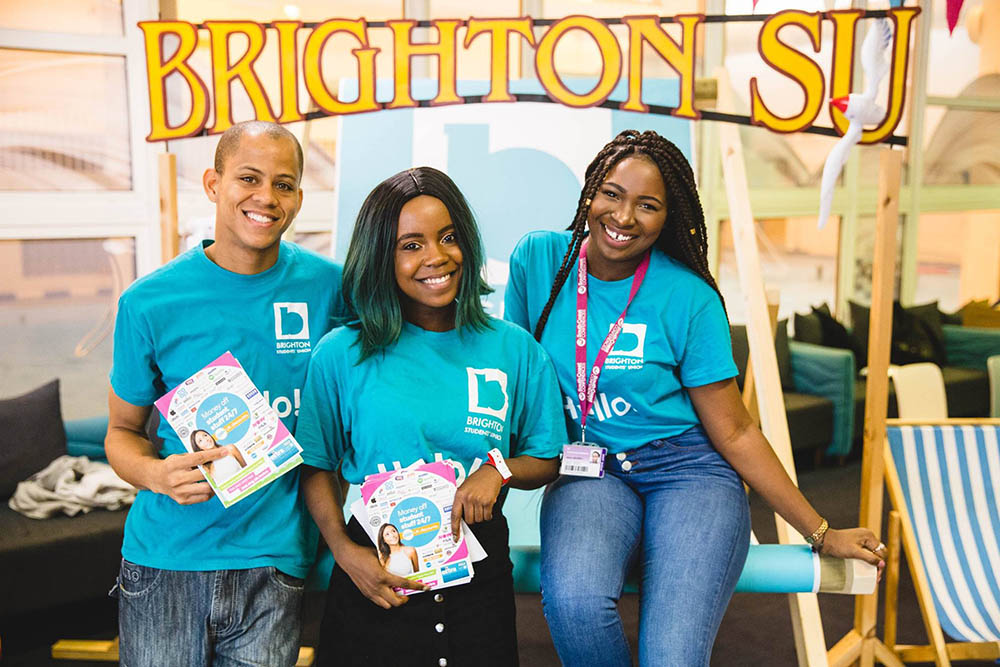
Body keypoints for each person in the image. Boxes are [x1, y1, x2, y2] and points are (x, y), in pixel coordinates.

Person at [504, 129, 887, 666]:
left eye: (648, 205)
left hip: (688, 472)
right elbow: (513, 383)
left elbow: (735, 430)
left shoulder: (688, 296)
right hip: (591, 470)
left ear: (669, 216)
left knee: (673, 656)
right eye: (611, 193)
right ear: (590, 190)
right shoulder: (541, 262)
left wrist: (820, 531)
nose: (623, 216)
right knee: (574, 604)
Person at [296, 166, 565, 666]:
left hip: (479, 579)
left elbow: (546, 456)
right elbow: (315, 465)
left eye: (448, 237)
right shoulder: (341, 353)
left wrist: (498, 468)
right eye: (411, 245)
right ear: (381, 256)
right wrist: (344, 553)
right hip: (376, 571)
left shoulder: (514, 350)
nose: (437, 257)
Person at [105, 120, 346, 667]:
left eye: (283, 184)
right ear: (213, 184)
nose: (266, 197)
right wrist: (154, 473)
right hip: (167, 559)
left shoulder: (331, 287)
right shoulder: (149, 302)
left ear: (300, 198)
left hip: (276, 561)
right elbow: (121, 433)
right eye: (248, 178)